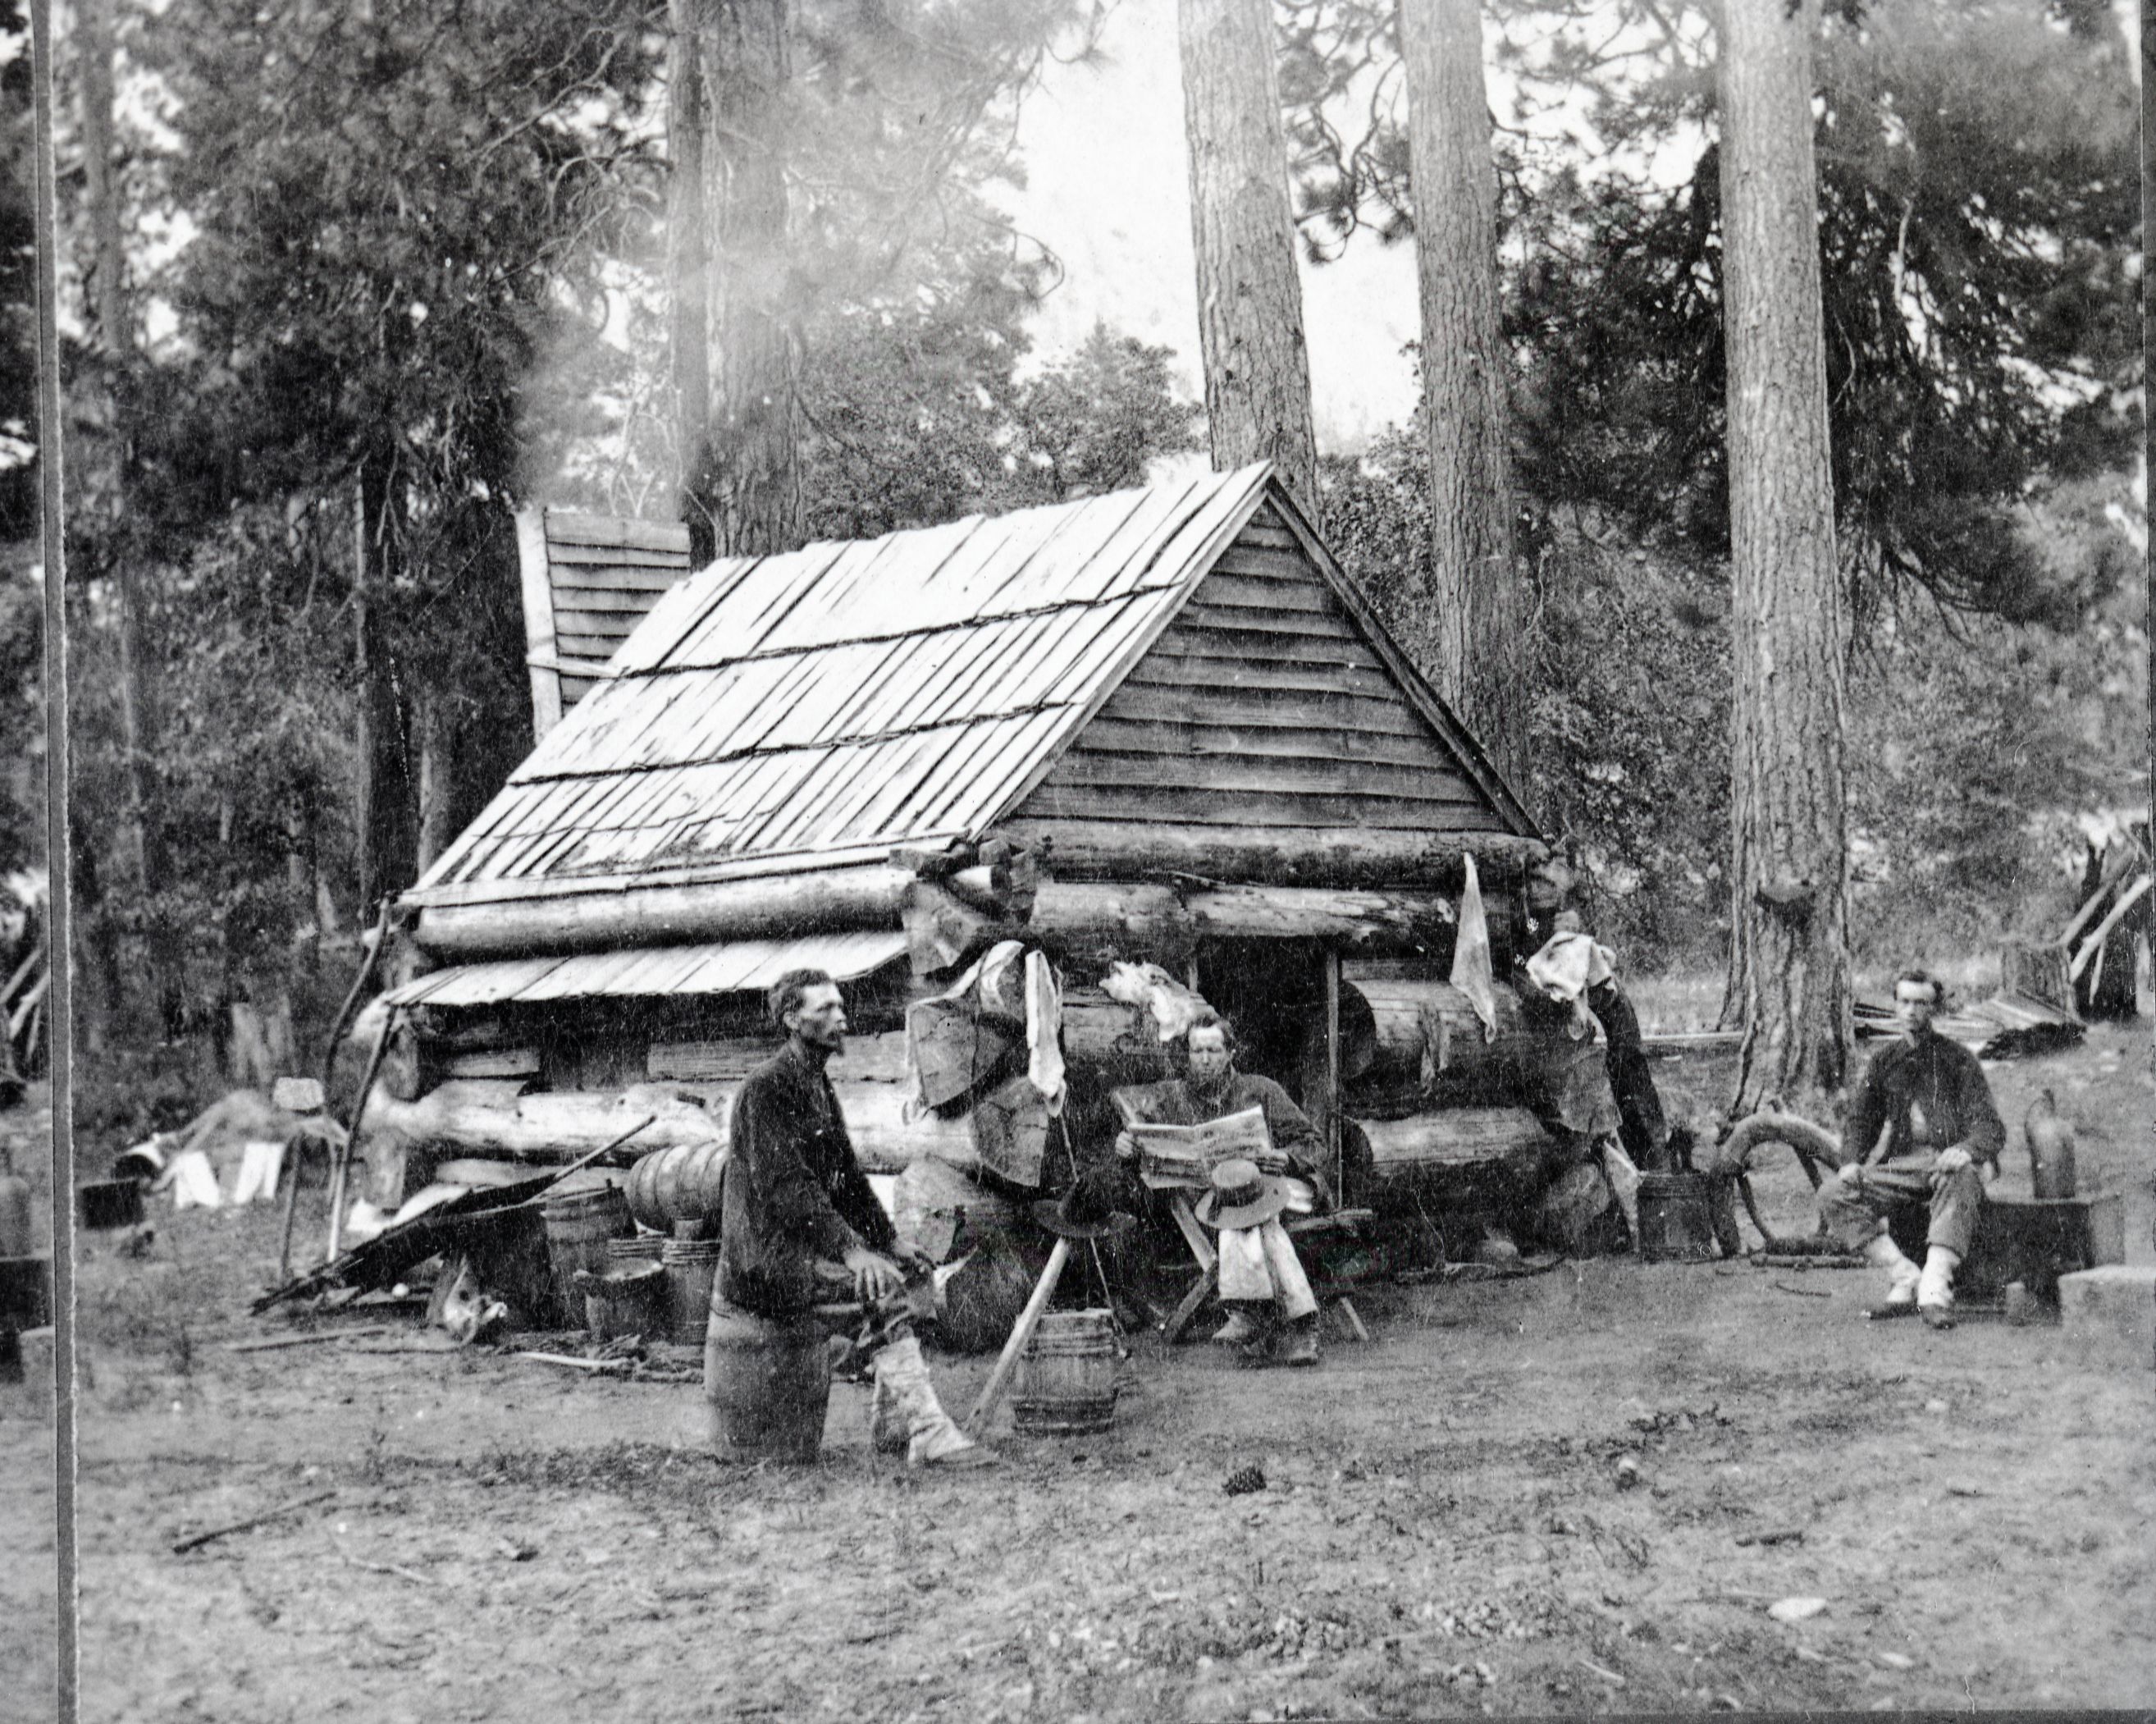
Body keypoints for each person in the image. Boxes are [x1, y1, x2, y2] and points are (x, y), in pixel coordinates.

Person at [716, 967, 993, 1466]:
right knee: (879, 1289)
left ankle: (892, 1425)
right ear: (791, 1019)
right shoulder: (766, 1089)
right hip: (766, 1261)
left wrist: (889, 1242)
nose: (841, 1018)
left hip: (806, 1252)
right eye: (825, 1009)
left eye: (841, 1007)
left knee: (909, 1273)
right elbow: (787, 1189)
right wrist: (851, 1251)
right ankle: (929, 1432)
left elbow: (847, 1180)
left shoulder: (816, 1085)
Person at [1113, 1012, 1332, 1365]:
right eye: (1197, 1051)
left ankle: (1249, 1314)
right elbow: (1145, 1145)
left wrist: (1286, 1158)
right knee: (1245, 1210)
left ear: (1231, 1053)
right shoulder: (1172, 1100)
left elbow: (1315, 1144)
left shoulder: (1261, 1090)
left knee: (1248, 1210)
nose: (1204, 1060)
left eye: (1213, 1051)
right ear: (1187, 1054)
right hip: (1227, 1201)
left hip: (1284, 1189)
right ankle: (1300, 1326)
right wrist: (1127, 1146)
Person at [1818, 970, 2005, 1329]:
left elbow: (1989, 1125)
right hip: (1903, 1166)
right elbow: (1861, 1120)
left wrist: (1966, 1150)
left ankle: (1934, 1289)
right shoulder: (1884, 1061)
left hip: (1951, 1165)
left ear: (1934, 1009)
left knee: (1961, 1174)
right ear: (1895, 1005)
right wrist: (1851, 1161)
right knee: (1833, 1194)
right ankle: (1905, 1276)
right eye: (1904, 1002)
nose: (1911, 1011)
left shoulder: (1957, 1059)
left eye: (1921, 1003)